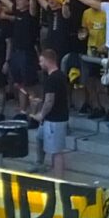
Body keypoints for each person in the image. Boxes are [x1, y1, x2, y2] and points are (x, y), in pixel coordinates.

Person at [34, 47, 72, 175]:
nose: (40, 64)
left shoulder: (52, 79)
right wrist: (40, 101)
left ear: (47, 60)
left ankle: (58, 179)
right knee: (39, 137)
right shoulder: (60, 75)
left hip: (54, 120)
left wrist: (41, 114)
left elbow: (50, 101)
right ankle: (40, 163)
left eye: (41, 61)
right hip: (54, 118)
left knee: (56, 152)